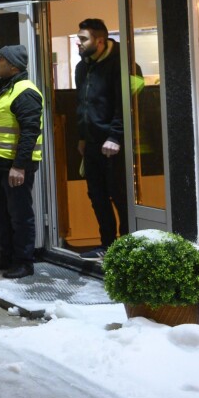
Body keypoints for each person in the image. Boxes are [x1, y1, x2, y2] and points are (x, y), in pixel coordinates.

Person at [0, 44, 43, 279]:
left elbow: (30, 132)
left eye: (1, 60)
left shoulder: (25, 92)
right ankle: (7, 256)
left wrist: (19, 166)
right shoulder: (5, 90)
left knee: (19, 214)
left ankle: (24, 262)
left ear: (13, 66)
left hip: (13, 167)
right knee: (0, 212)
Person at [75, 17, 127, 259]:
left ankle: (127, 246)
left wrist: (115, 135)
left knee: (119, 194)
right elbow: (82, 104)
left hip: (114, 144)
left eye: (83, 39)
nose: (78, 43)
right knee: (96, 195)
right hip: (93, 143)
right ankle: (107, 244)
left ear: (100, 40)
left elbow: (124, 104)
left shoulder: (120, 63)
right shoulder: (82, 67)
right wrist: (83, 137)